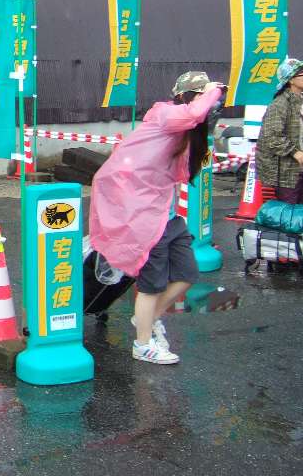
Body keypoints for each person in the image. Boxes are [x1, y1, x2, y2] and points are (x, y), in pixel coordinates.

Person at [89, 71, 224, 365]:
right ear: (184, 97)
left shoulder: (188, 130)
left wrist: (205, 127)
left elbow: (185, 171)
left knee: (187, 274)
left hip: (166, 212)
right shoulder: (165, 114)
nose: (208, 103)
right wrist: (211, 94)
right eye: (199, 95)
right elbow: (191, 115)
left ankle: (145, 321)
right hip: (144, 217)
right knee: (152, 284)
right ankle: (142, 345)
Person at [256, 57, 303, 203]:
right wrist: (296, 153)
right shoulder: (280, 104)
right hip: (285, 173)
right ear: (291, 80)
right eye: (301, 74)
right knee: (289, 215)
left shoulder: (299, 100)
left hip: (298, 169)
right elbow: (272, 137)